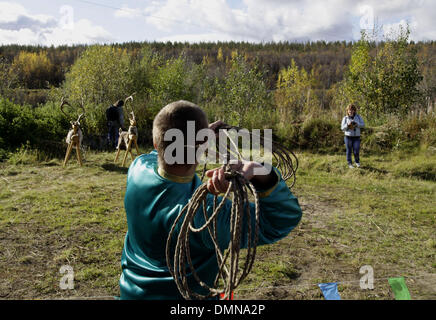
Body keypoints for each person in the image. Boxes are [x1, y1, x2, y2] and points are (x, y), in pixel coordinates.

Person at [118, 100, 303, 300]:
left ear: (156, 142)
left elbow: (164, 150)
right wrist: (261, 172)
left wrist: (198, 137)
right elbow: (281, 220)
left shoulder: (138, 168)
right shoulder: (206, 216)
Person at [341, 104, 365, 168]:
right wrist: (348, 125)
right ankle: (350, 164)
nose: (350, 111)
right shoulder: (345, 118)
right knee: (349, 150)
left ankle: (357, 162)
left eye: (352, 110)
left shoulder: (358, 117)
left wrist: (357, 124)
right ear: (347, 111)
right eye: (349, 110)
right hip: (348, 137)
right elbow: (342, 128)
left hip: (356, 137)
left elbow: (363, 125)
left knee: (356, 150)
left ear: (354, 110)